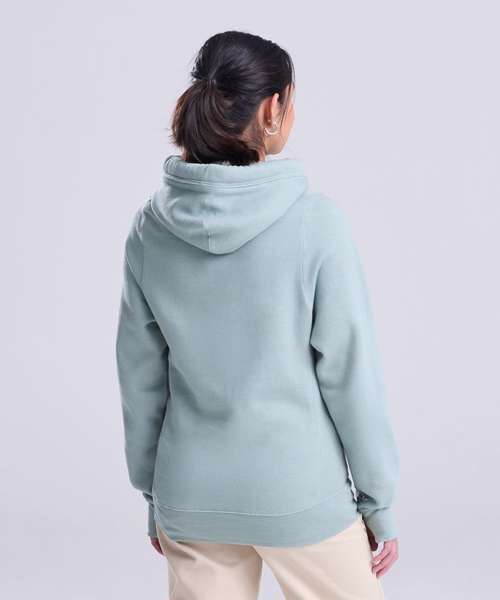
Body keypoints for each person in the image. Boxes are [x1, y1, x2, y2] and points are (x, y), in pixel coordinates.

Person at [115, 30, 400, 600]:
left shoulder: (150, 230)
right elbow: (351, 376)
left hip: (192, 495)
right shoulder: (316, 222)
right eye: (292, 101)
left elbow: (140, 380)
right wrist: (378, 503)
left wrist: (155, 497)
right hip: (302, 495)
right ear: (272, 109)